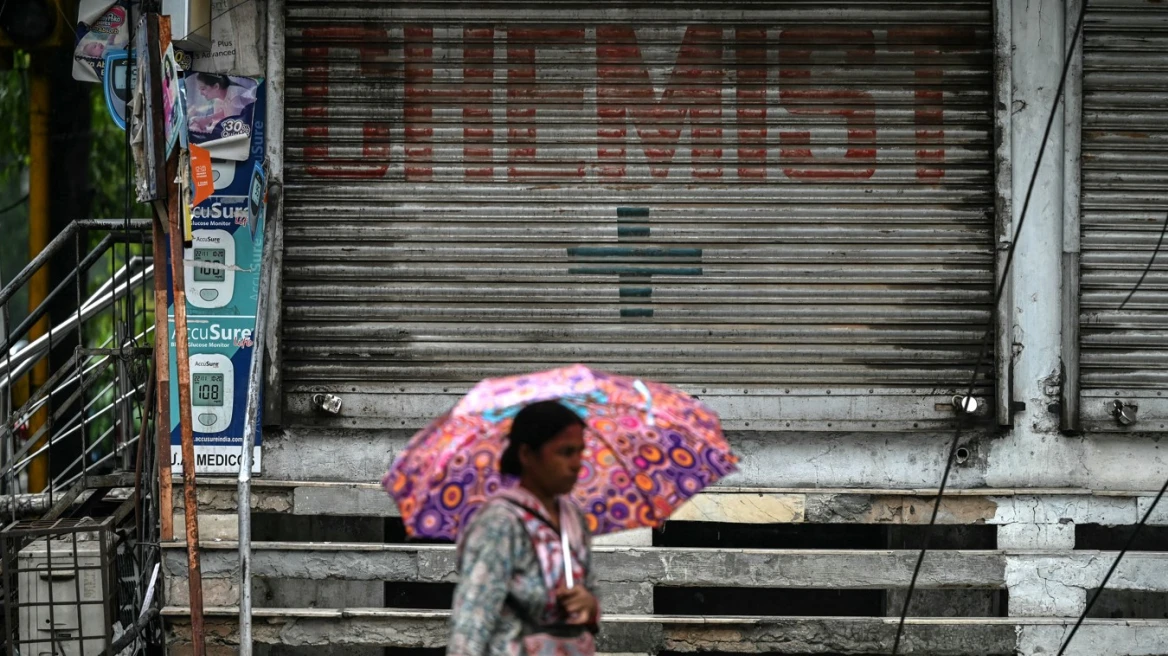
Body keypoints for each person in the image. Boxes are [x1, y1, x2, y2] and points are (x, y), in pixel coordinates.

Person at [448, 401, 600, 656]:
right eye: (565, 452)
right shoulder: (500, 522)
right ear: (527, 454)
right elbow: (473, 616)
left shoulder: (572, 517)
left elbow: (590, 587)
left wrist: (589, 604)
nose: (577, 464)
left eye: (580, 451)